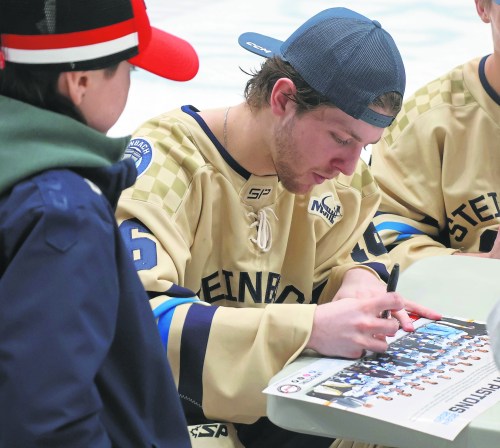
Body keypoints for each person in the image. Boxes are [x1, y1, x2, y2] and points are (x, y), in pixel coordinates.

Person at [116, 7, 440, 447]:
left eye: (364, 146)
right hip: (181, 415)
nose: (348, 167)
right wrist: (308, 329)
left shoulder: (344, 183)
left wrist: (360, 281)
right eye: (342, 139)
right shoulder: (168, 165)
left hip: (288, 413)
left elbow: (357, 259)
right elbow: (137, 324)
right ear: (282, 99)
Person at [0, 0, 199, 446]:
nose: (131, 80)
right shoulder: (63, 212)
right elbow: (48, 419)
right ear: (80, 81)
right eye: (129, 66)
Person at [370, 0, 500, 272]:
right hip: (470, 306)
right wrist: (488, 266)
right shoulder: (420, 120)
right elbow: (383, 249)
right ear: (483, 7)